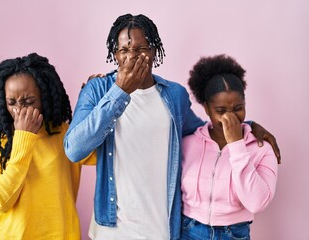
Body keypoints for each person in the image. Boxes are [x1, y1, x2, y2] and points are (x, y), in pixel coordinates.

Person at [63, 14, 279, 240]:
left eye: (140, 49)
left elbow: (205, 130)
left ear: (154, 51)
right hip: (112, 230)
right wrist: (120, 91)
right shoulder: (98, 90)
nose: (131, 57)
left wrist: (247, 126)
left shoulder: (174, 95)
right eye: (124, 50)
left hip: (163, 229)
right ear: (115, 54)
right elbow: (73, 149)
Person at [0, 53, 95, 240]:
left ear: (44, 97)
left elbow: (104, 153)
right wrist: (24, 137)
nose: (19, 110)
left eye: (29, 101)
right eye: (11, 103)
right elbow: (0, 200)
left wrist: (95, 103)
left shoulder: (65, 134)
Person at [180, 54, 278, 240]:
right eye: (221, 111)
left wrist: (236, 145)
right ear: (207, 108)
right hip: (189, 231)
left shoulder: (262, 148)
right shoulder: (187, 143)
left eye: (238, 108)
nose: (230, 117)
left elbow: (257, 203)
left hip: (233, 234)